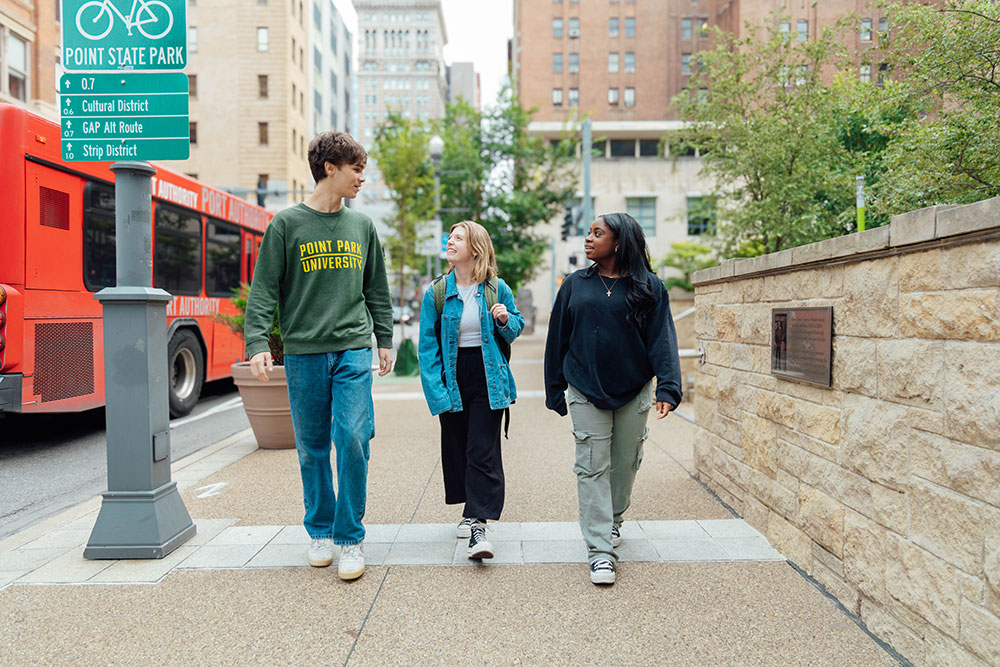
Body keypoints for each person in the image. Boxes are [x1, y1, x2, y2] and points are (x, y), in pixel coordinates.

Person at [244, 131, 393, 581]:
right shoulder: (286, 225)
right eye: (356, 169)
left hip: (350, 348)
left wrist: (383, 339)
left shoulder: (362, 227)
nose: (361, 179)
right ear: (330, 167)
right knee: (311, 449)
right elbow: (264, 289)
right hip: (305, 352)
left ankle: (350, 537)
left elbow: (377, 292)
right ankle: (320, 531)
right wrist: (256, 343)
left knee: (351, 438)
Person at [543, 212, 682, 585]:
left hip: (634, 389)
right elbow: (558, 337)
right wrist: (554, 387)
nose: (588, 239)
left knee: (625, 463)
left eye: (597, 233)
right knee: (591, 466)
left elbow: (662, 340)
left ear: (618, 242)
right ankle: (600, 551)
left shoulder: (650, 287)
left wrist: (668, 386)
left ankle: (614, 519)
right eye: (588, 232)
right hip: (585, 388)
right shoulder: (575, 284)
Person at [418, 221, 524, 560]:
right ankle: (469, 508)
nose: (450, 242)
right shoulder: (436, 292)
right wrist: (437, 393)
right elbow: (427, 347)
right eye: (449, 238)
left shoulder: (497, 288)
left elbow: (516, 328)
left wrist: (506, 319)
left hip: (487, 375)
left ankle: (479, 525)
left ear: (475, 248)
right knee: (457, 447)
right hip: (452, 375)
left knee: (482, 449)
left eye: (458, 238)